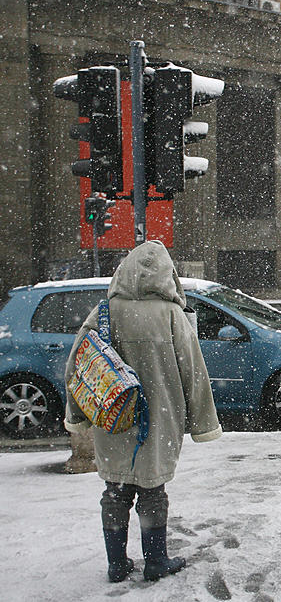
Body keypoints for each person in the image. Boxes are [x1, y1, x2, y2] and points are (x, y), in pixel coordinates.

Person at [64, 240, 222, 583]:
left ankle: (117, 563)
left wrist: (77, 416)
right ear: (168, 277)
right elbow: (193, 371)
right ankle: (155, 561)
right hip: (159, 418)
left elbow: (78, 368)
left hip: (114, 417)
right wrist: (202, 424)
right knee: (152, 491)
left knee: (115, 491)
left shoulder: (104, 312)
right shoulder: (171, 315)